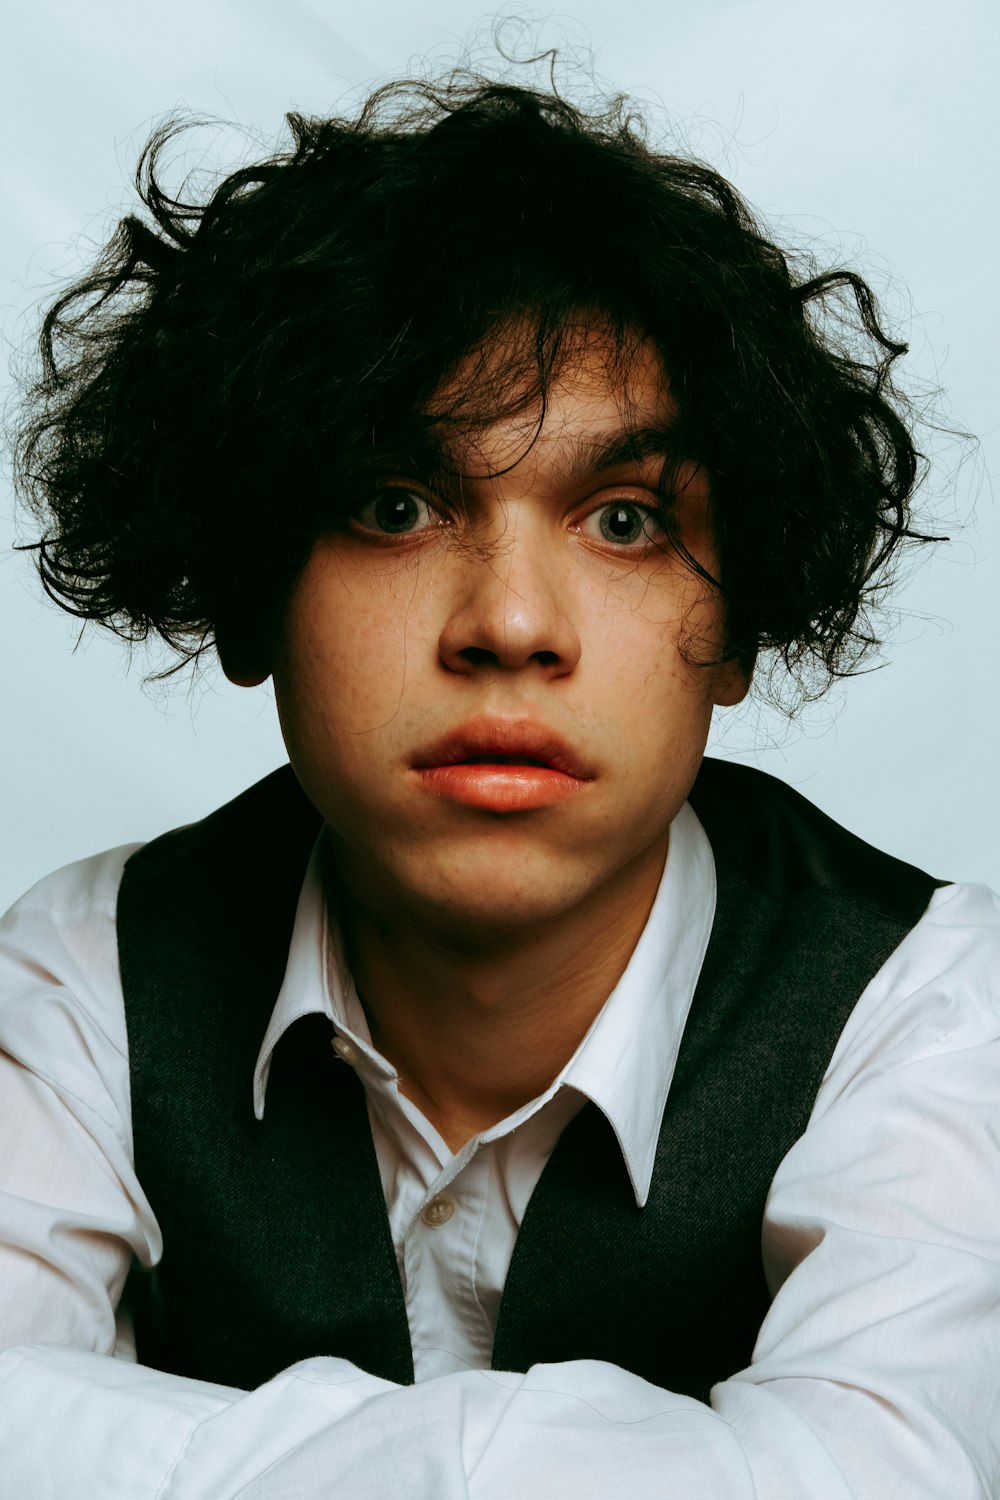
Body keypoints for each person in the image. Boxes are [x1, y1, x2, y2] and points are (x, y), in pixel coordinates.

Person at [1, 70, 997, 1500]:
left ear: (738, 629)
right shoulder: (82, 978)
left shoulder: (933, 1009)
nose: (512, 624)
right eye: (395, 506)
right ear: (246, 590)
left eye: (626, 518)